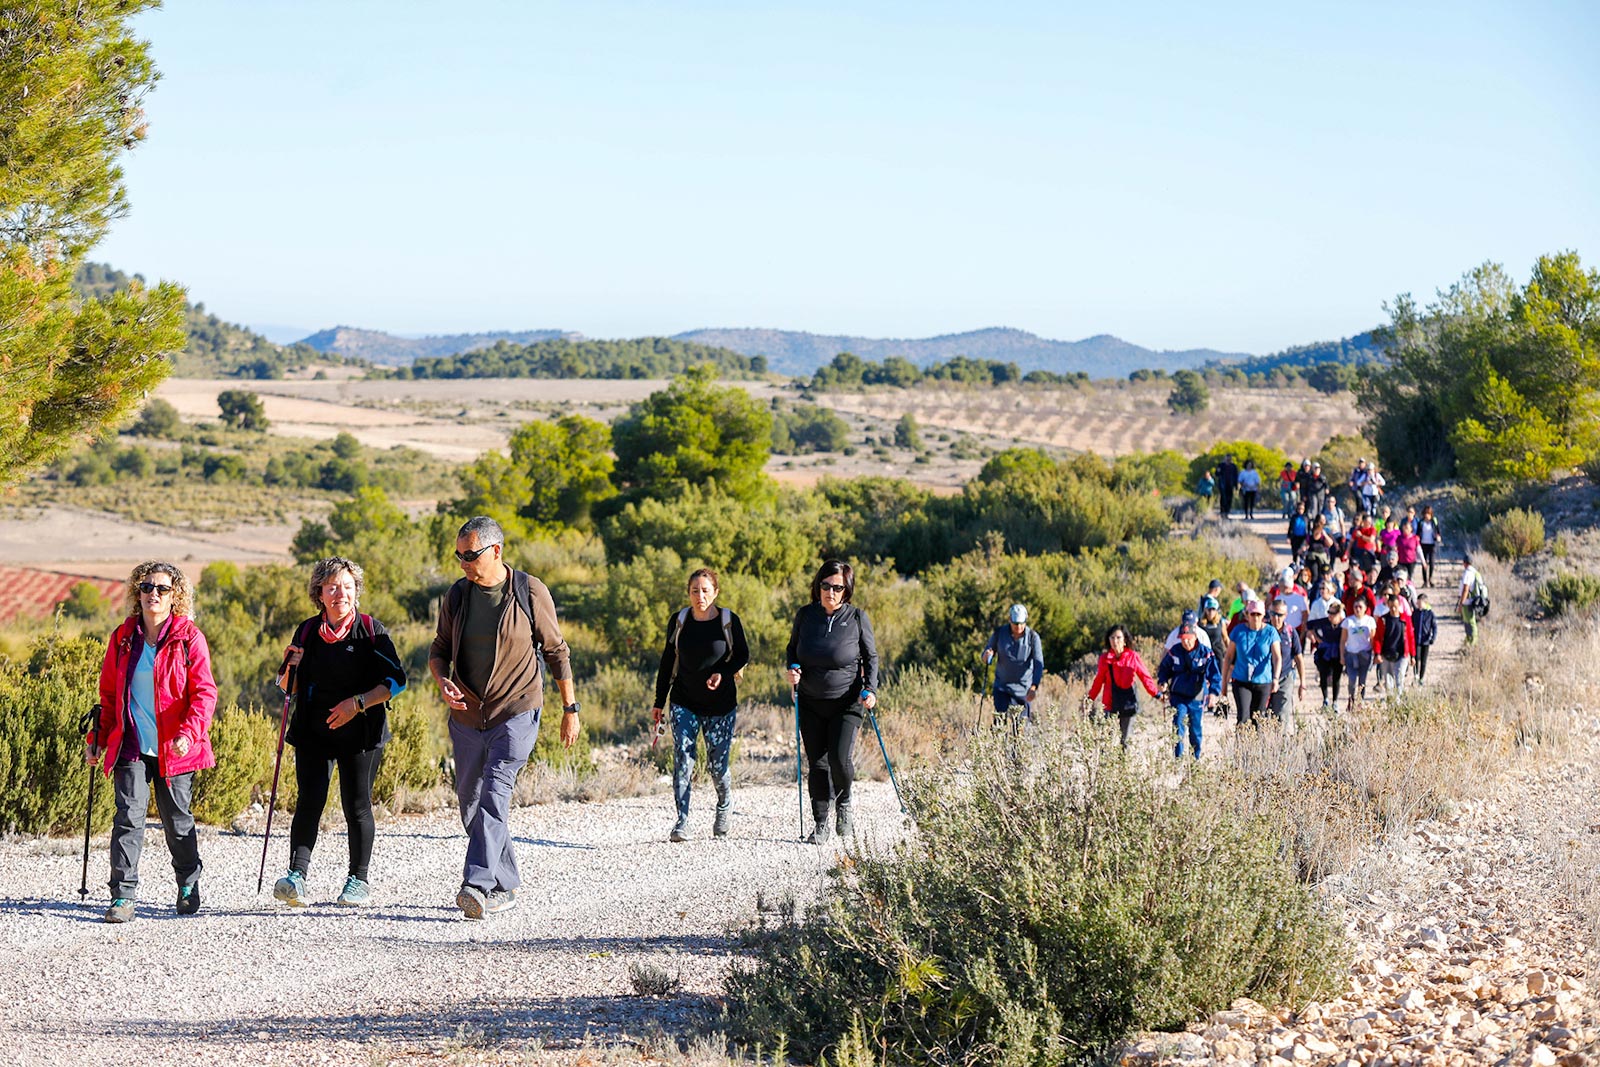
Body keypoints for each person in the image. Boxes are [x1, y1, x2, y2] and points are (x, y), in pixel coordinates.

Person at [429, 516, 579, 919]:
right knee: (470, 804)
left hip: (516, 710)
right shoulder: (458, 595)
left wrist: (570, 709)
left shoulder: (528, 591)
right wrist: (443, 681)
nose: (463, 563)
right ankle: (506, 883)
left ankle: (476, 885)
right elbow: (439, 649)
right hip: (467, 717)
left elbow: (556, 652)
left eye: (470, 555)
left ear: (496, 551)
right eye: (458, 555)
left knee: (495, 795)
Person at [271, 557, 407, 907]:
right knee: (309, 801)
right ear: (319, 593)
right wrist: (290, 667)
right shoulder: (305, 632)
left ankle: (357, 880)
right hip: (313, 730)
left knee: (357, 806)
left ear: (356, 591)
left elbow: (396, 681)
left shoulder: (371, 630)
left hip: (361, 733)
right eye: (331, 587)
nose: (340, 594)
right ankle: (296, 877)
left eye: (347, 587)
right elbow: (288, 687)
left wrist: (357, 704)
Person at [86, 562, 217, 923]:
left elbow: (204, 694)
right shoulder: (123, 638)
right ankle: (123, 895)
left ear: (175, 596)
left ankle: (188, 883)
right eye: (146, 587)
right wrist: (97, 737)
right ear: (136, 593)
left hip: (176, 747)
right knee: (128, 816)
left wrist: (189, 733)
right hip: (131, 743)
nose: (153, 594)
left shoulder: (189, 638)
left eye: (161, 588)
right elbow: (109, 695)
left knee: (177, 820)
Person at [652, 569, 750, 842]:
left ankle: (724, 804)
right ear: (689, 593)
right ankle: (682, 821)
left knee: (718, 767)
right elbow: (667, 660)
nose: (700, 596)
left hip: (721, 706)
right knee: (683, 758)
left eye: (706, 590)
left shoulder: (729, 621)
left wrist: (723, 672)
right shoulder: (680, 620)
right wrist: (659, 702)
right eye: (695, 591)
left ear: (716, 592)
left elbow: (743, 654)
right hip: (684, 701)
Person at [787, 560, 879, 844]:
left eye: (837, 587)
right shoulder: (805, 616)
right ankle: (821, 823)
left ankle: (845, 802)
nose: (830, 591)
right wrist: (792, 668)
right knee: (818, 764)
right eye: (825, 585)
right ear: (818, 587)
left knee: (839, 760)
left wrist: (870, 689)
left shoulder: (857, 618)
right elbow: (792, 649)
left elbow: (871, 657)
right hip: (811, 701)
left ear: (846, 590)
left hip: (847, 702)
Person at [1087, 625, 1161, 748]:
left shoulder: (1132, 656)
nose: (1115, 641)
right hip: (1110, 704)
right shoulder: (1105, 659)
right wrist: (1090, 699)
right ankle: (1107, 766)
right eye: (1112, 638)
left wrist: (1156, 694)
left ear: (1125, 640)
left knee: (1126, 741)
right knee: (1107, 741)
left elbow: (1145, 677)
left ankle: (1124, 765)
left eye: (1118, 637)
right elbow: (1098, 681)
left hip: (1128, 704)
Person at [1157, 620, 1222, 760]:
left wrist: (1213, 693)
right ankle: (1178, 759)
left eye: (1188, 639)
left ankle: (1195, 759)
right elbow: (1164, 669)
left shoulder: (1206, 653)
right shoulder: (1175, 651)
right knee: (1178, 724)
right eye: (1183, 639)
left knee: (1195, 729)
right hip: (1178, 696)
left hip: (1197, 697)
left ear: (1195, 636)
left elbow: (1215, 674)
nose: (1186, 642)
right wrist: (1162, 682)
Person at [1220, 599, 1281, 727]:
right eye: (1252, 614)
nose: (1255, 618)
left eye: (1258, 614)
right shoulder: (1238, 631)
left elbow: (1277, 657)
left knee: (1258, 719)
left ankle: (1256, 747)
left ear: (1264, 615)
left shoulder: (1270, 632)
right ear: (1247, 615)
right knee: (1243, 718)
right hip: (1241, 679)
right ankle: (1241, 746)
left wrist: (1275, 678)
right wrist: (1224, 684)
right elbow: (1228, 657)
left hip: (1263, 680)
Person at [982, 603, 1045, 727]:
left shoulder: (1033, 637)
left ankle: (1019, 747)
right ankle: (999, 746)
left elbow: (1039, 664)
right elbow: (987, 653)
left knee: (1021, 730)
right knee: (999, 726)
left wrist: (1033, 687)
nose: (1019, 627)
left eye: (1022, 623)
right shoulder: (1000, 633)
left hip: (1023, 691)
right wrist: (987, 656)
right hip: (1002, 688)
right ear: (1010, 620)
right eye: (1016, 624)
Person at [1267, 599, 1304, 731]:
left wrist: (1302, 683)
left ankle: (1280, 746)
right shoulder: (1263, 631)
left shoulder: (1290, 632)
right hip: (1264, 678)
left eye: (1280, 615)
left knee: (1282, 716)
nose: (1276, 618)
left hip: (1285, 677)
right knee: (1263, 716)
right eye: (1273, 614)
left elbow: (1299, 658)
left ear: (1286, 615)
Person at [1374, 591, 1414, 699]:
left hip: (1402, 653)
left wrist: (1413, 655)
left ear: (1399, 606)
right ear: (1388, 605)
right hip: (1387, 654)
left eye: (1395, 606)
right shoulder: (1383, 620)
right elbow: (1377, 637)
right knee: (1388, 681)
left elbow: (1410, 637)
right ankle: (1392, 703)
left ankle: (1398, 702)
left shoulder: (1405, 619)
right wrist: (1377, 653)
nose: (1393, 609)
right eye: (1391, 606)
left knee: (1399, 679)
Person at [1339, 596, 1377, 710]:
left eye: (1360, 607)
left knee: (1362, 680)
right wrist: (1341, 655)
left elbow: (1374, 639)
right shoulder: (1348, 621)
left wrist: (1375, 654)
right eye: (1355, 607)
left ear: (1365, 608)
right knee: (1351, 680)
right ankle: (1351, 699)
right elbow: (1343, 640)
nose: (1358, 609)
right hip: (1351, 653)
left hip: (1364, 654)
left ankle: (1360, 702)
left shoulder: (1370, 621)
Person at [1308, 600, 1346, 709]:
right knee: (1323, 675)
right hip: (1325, 651)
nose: (1330, 615)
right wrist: (1317, 637)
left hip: (1338, 651)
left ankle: (1335, 702)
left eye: (1333, 613)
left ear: (1339, 614)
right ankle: (1325, 699)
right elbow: (1309, 625)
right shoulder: (1324, 622)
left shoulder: (1344, 623)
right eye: (1329, 612)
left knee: (1336, 678)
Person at [1458, 554, 1485, 645]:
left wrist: (1461, 604)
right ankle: (1469, 640)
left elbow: (1465, 590)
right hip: (1473, 601)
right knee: (1469, 622)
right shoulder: (1475, 572)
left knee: (1469, 623)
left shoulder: (1467, 573)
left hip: (1467, 602)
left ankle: (1472, 641)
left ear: (1464, 563)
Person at [1413, 594, 1438, 685]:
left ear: (1425, 603)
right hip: (1416, 640)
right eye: (1417, 603)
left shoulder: (1430, 614)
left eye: (1420, 603)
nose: (1418, 605)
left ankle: (1421, 677)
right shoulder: (1415, 613)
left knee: (1423, 660)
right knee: (1416, 658)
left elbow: (1434, 627)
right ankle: (1415, 675)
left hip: (1425, 641)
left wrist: (1433, 637)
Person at [1416, 506, 1441, 587]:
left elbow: (1438, 531)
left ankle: (1430, 579)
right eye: (1426, 514)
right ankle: (1425, 581)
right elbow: (1418, 532)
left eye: (1429, 514)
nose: (1427, 515)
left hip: (1432, 544)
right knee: (1424, 563)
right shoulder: (1421, 522)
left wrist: (1438, 536)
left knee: (1432, 562)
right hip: (1423, 544)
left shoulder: (1434, 522)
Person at [1216, 454, 1239, 519]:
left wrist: (1236, 485)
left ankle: (1227, 512)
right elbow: (1217, 474)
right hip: (1223, 485)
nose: (1228, 460)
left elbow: (1235, 476)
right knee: (1223, 499)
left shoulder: (1233, 466)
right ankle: (1222, 513)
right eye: (1227, 458)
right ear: (1225, 458)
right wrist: (1218, 471)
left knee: (1229, 499)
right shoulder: (1221, 465)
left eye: (1229, 459)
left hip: (1230, 485)